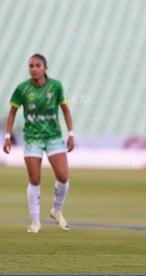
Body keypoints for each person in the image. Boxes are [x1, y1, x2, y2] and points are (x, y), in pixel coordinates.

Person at [2, 53, 74, 233]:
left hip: (53, 137)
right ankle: (35, 222)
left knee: (63, 177)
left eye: (37, 66)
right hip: (32, 137)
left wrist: (71, 133)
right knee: (34, 178)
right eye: (31, 66)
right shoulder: (22, 89)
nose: (33, 69)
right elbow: (12, 112)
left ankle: (56, 211)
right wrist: (7, 136)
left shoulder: (56, 86)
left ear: (45, 68)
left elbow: (65, 109)